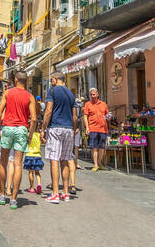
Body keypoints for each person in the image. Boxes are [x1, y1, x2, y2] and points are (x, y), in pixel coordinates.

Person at [0, 71, 37, 210]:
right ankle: (14, 199)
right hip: (21, 130)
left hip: (8, 127)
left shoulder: (8, 93)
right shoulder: (30, 96)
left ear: (15, 80)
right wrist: (30, 135)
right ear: (26, 81)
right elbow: (34, 119)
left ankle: (2, 194)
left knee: (3, 161)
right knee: (18, 164)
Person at [41, 74, 78, 204]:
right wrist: (74, 130)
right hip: (69, 129)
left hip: (56, 128)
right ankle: (66, 192)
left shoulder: (52, 91)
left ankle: (55, 193)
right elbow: (74, 116)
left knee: (54, 160)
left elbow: (48, 110)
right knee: (65, 160)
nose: (51, 82)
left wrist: (43, 128)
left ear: (56, 79)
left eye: (52, 80)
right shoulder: (71, 94)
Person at [82, 87, 111, 172]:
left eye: (94, 94)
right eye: (91, 95)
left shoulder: (103, 104)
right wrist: (87, 127)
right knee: (94, 147)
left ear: (97, 94)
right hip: (93, 128)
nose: (92, 96)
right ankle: (95, 164)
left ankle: (99, 163)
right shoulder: (88, 104)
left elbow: (107, 115)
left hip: (103, 129)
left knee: (102, 147)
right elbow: (85, 116)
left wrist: (109, 117)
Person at [23, 129, 44, 194]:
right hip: (37, 155)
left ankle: (32, 187)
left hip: (29, 155)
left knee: (31, 172)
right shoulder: (40, 135)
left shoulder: (29, 134)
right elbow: (44, 141)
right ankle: (39, 184)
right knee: (37, 172)